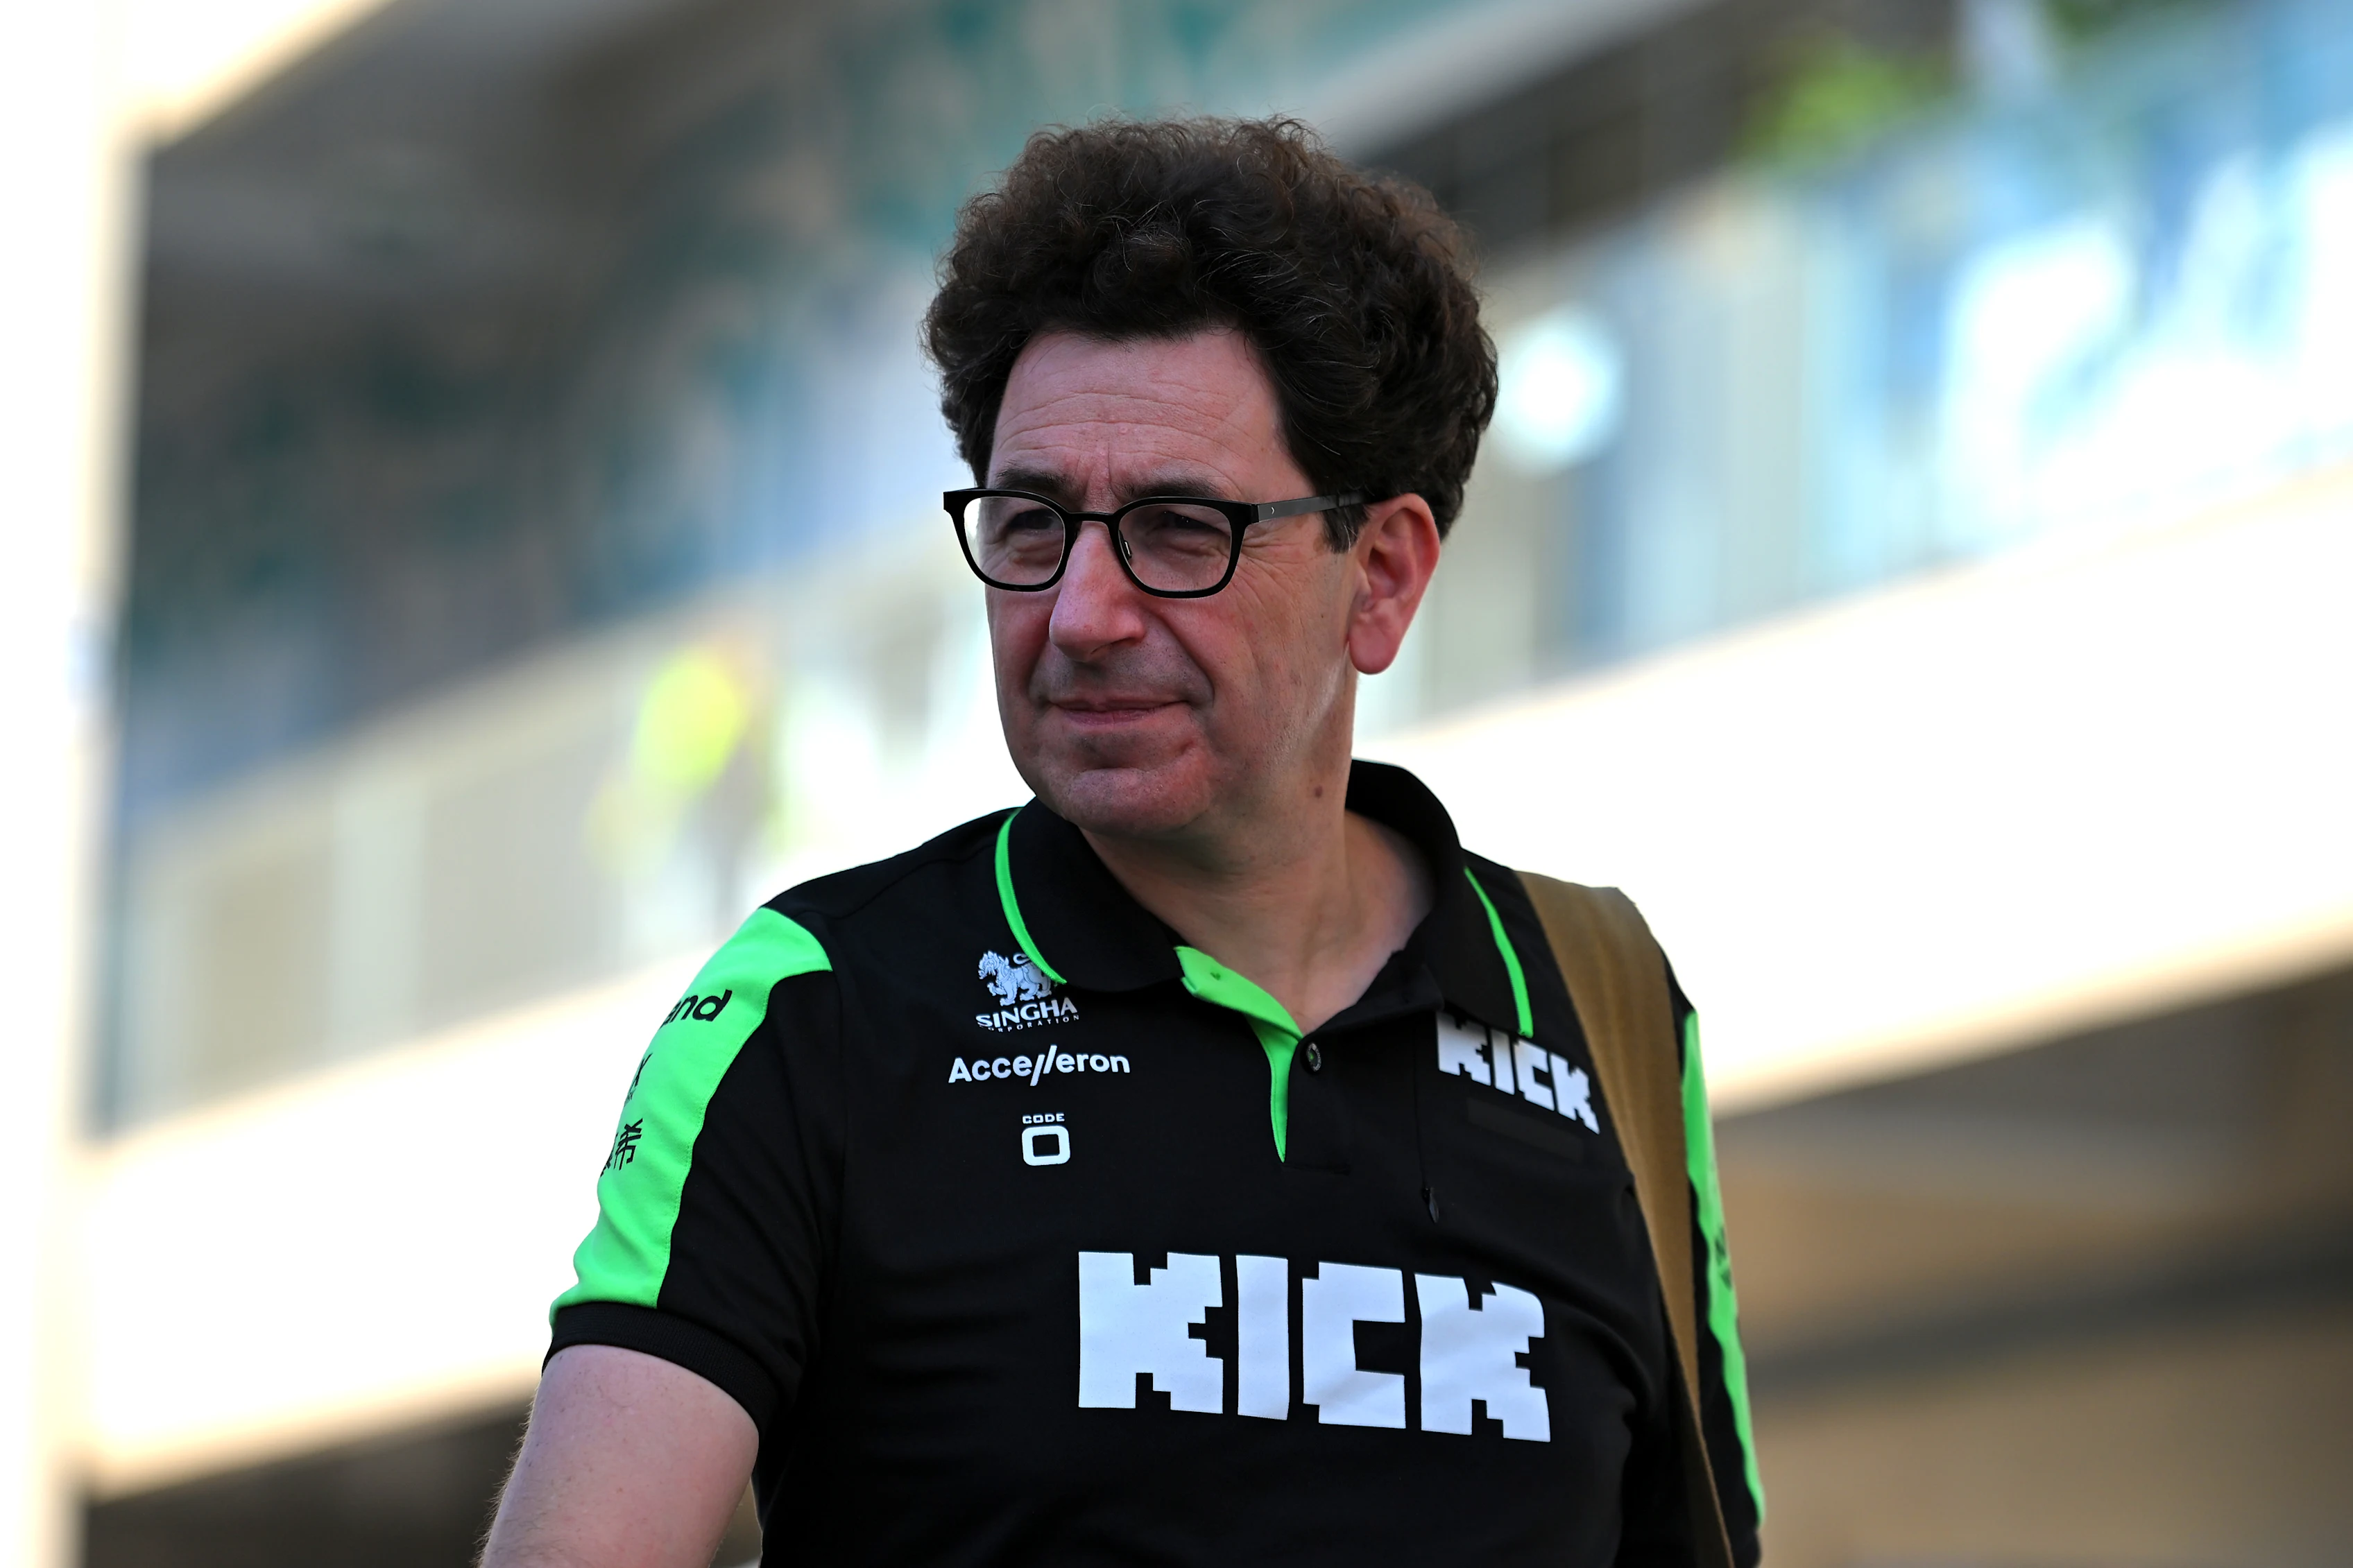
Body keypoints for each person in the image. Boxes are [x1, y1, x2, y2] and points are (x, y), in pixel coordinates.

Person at [482, 117, 1761, 1567]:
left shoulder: (1601, 1001)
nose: (1081, 613)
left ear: (1383, 576)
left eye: (1174, 529)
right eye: (1030, 524)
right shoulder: (819, 1009)